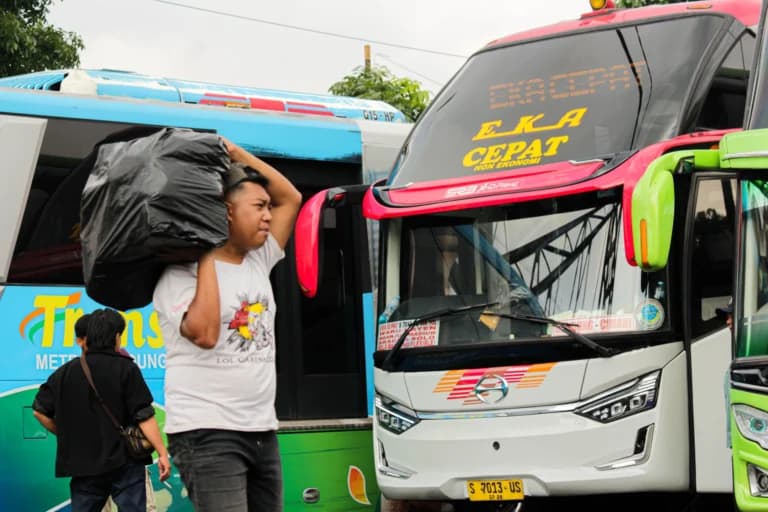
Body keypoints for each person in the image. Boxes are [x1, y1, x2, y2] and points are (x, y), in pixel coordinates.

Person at [152, 138, 301, 511]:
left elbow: (292, 198)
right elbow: (205, 333)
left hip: (262, 430)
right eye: (258, 207)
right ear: (227, 213)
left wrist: (236, 154)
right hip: (207, 432)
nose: (269, 215)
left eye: (268, 208)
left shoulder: (258, 259)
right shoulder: (178, 275)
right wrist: (207, 244)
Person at [32, 308, 170, 512]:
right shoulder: (126, 368)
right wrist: (162, 453)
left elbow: (39, 411)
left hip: (83, 465)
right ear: (116, 337)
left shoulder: (66, 372)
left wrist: (67, 434)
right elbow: (144, 415)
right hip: (126, 463)